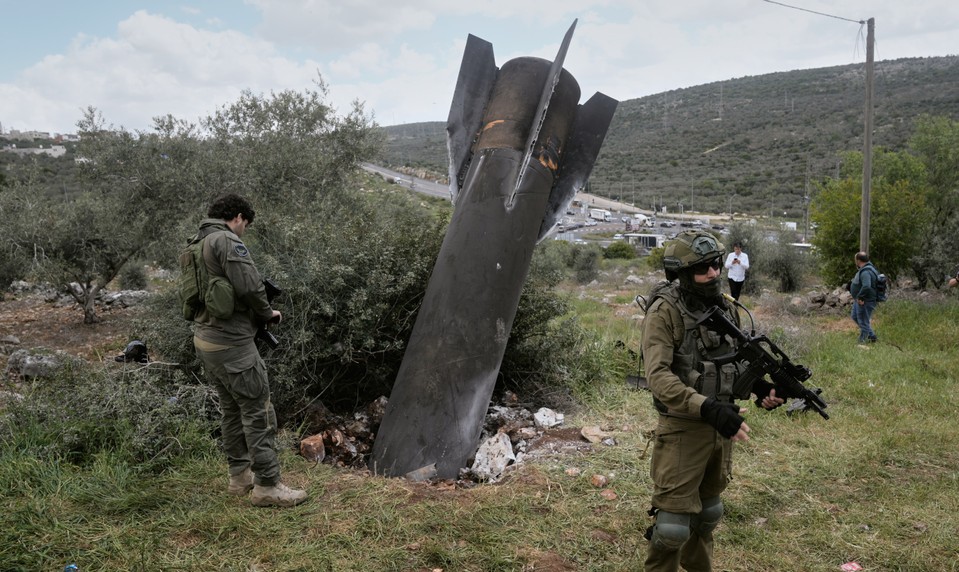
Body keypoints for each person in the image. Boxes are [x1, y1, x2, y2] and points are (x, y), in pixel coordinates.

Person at [640, 230, 783, 571]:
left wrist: (760, 389)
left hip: (720, 426)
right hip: (683, 428)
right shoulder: (664, 312)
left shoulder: (725, 308)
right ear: (682, 274)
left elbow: (730, 361)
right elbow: (658, 377)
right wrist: (706, 407)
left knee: (707, 514)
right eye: (703, 269)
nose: (714, 274)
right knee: (673, 526)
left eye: (716, 265)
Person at [190, 193, 308, 508]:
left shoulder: (197, 243)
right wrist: (267, 313)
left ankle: (239, 476)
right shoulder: (227, 241)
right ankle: (267, 487)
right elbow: (249, 286)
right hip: (232, 343)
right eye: (246, 225)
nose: (244, 231)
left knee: (231, 409)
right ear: (239, 217)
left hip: (206, 340)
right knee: (258, 410)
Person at [849, 251, 879, 344]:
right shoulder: (867, 269)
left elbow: (866, 285)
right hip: (859, 300)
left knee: (863, 321)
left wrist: (861, 297)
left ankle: (861, 342)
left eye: (855, 260)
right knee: (855, 316)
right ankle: (872, 336)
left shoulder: (866, 271)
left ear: (858, 260)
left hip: (864, 301)